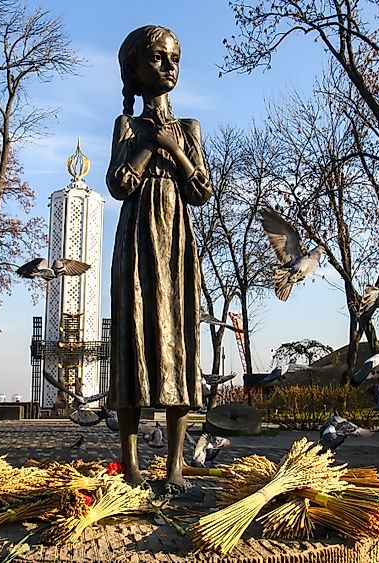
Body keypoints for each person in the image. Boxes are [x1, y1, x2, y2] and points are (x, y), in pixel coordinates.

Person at [106, 25, 212, 495]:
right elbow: (118, 184)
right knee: (132, 338)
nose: (170, 66)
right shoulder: (126, 127)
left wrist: (179, 152)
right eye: (159, 58)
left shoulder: (189, 128)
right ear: (134, 68)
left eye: (175, 59)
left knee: (179, 343)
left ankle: (174, 465)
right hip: (135, 244)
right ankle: (129, 463)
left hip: (177, 248)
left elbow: (201, 191)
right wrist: (152, 146)